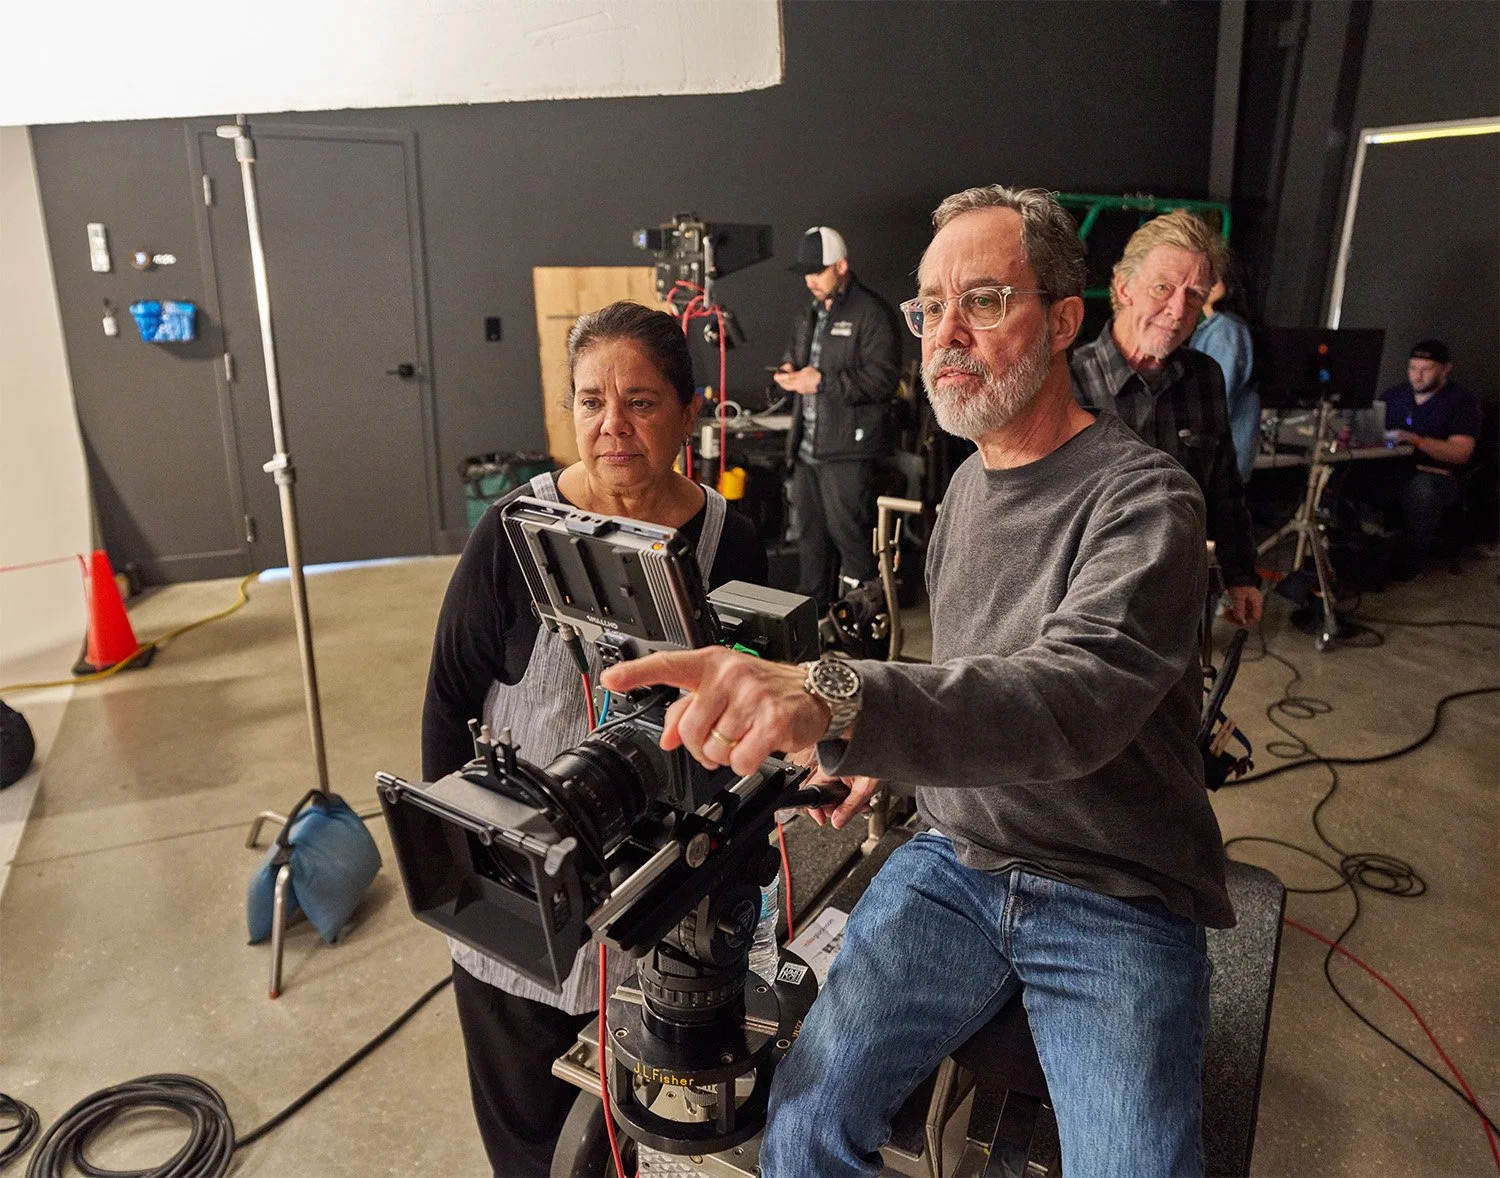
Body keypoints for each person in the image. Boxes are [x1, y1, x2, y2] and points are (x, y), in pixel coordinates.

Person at [602, 186, 1233, 1177]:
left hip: (1116, 885)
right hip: (959, 857)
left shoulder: (1145, 499)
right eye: (930, 306)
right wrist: (887, 760)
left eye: (981, 299)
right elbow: (966, 668)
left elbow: (1068, 695)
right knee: (801, 1132)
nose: (946, 332)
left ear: (1064, 319)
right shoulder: (969, 485)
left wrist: (838, 696)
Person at [421, 301, 767, 1177]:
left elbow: (754, 711)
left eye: (642, 402)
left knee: (637, 1140)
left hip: (662, 916)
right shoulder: (509, 534)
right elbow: (448, 705)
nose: (611, 426)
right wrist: (469, 881)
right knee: (532, 1143)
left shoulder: (732, 543)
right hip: (518, 917)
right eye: (589, 402)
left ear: (690, 413)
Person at [1071, 209, 1263, 626]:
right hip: (1084, 605)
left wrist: (1241, 573)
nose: (1178, 311)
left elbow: (1225, 485)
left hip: (1179, 603)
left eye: (1194, 295)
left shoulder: (1204, 376)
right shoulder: (1065, 379)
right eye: (1163, 288)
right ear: (1124, 288)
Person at [774, 226, 901, 609]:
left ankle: (862, 627)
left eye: (819, 270)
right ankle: (812, 624)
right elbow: (797, 361)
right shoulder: (808, 315)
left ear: (842, 266)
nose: (811, 279)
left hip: (849, 450)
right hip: (807, 449)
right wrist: (787, 372)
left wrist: (823, 382)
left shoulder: (871, 313)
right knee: (809, 538)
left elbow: (883, 381)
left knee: (852, 539)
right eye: (807, 272)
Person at [1380, 339, 1483, 573]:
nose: (1417, 376)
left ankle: (1411, 560)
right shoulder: (1394, 396)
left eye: (1426, 370)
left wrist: (1415, 440)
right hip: (1394, 467)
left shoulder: (1462, 401)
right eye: (1412, 368)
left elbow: (1460, 452)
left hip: (1440, 475)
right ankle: (1359, 549)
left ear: (1445, 369)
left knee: (1422, 490)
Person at [1191, 265, 1260, 485]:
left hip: (1220, 461)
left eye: (1215, 278)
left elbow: (1217, 397)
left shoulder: (1225, 330)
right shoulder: (1217, 326)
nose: (1206, 283)